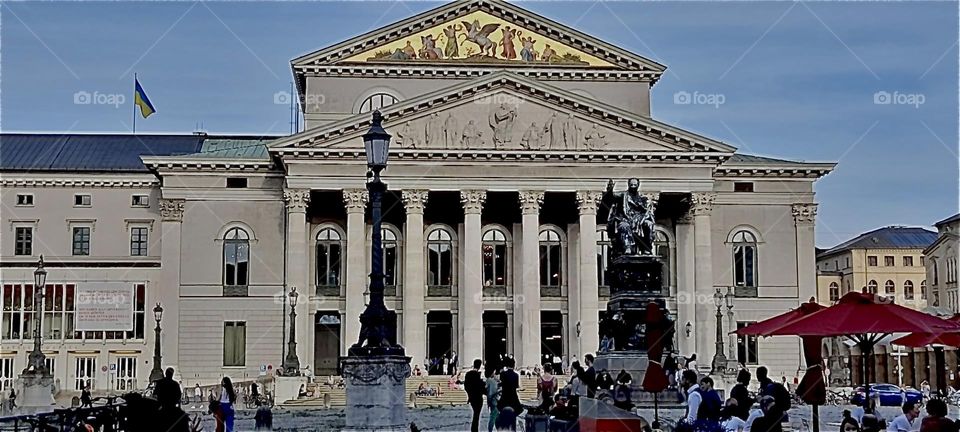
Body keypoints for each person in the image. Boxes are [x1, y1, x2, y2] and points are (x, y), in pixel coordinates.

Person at [464, 359, 486, 432]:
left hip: (471, 398)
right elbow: (480, 387)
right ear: (479, 366)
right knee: (476, 415)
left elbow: (466, 386)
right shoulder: (477, 375)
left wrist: (469, 394)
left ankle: (474, 429)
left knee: (476, 414)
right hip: (478, 398)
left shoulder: (468, 374)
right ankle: (474, 430)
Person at [485, 367, 501, 432]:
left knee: (496, 416)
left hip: (491, 401)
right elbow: (493, 392)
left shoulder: (487, 380)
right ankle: (491, 430)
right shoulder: (492, 381)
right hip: (495, 401)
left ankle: (498, 429)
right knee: (493, 417)